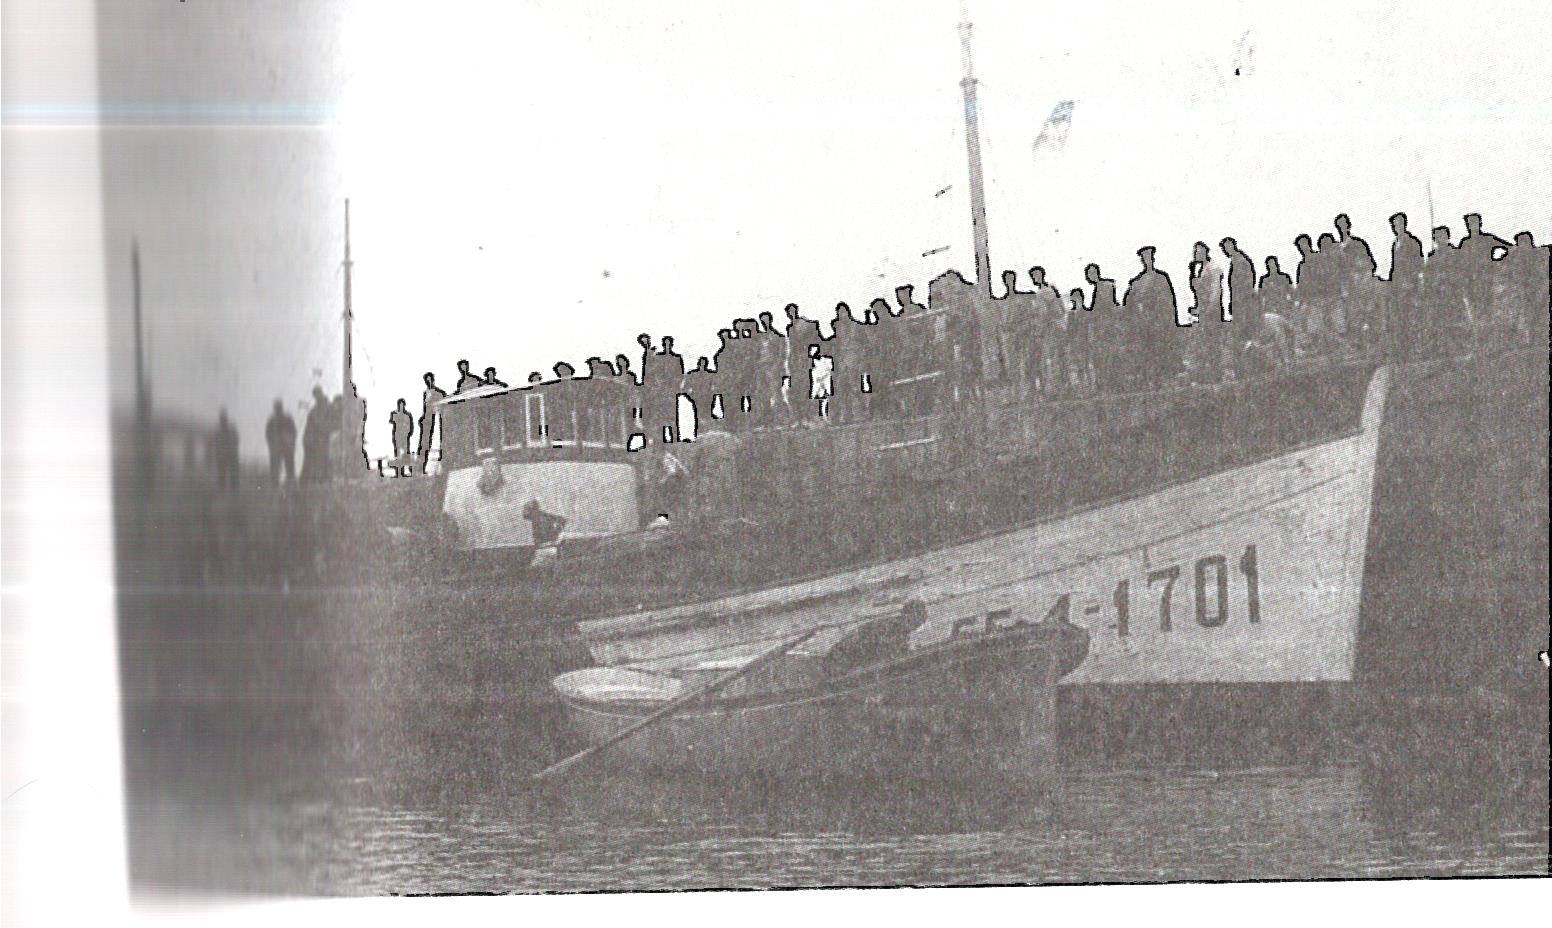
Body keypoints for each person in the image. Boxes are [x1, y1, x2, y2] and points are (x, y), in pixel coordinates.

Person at [1124, 247, 1180, 387]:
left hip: (1158, 323)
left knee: (1160, 351)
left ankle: (1162, 380)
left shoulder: (1161, 278)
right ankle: (1149, 380)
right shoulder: (1137, 282)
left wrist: (1168, 322)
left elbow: (1168, 302)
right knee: (1146, 353)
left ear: (1153, 259)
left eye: (1149, 257)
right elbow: (1129, 304)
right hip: (1143, 324)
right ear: (1142, 261)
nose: (1147, 261)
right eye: (1144, 258)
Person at [1333, 214, 1378, 345]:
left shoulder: (1358, 244)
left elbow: (1370, 264)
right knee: (1348, 317)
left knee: (1364, 315)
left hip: (1360, 285)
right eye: (1339, 225)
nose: (1342, 228)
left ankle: (1368, 342)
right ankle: (1354, 343)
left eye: (1344, 225)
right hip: (1345, 287)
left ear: (1348, 226)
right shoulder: (1336, 248)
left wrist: (1358, 272)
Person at [1386, 212, 1424, 356]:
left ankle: (1415, 349)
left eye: (1399, 224)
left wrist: (1411, 281)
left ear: (1404, 224)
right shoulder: (1395, 243)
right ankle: (1403, 350)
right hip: (1398, 287)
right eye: (1394, 225)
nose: (1396, 227)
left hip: (1409, 287)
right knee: (1400, 318)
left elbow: (1419, 264)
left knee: (1411, 318)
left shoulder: (1412, 242)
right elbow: (1395, 266)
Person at [1187, 241, 1224, 382]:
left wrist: (1210, 308)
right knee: (1204, 342)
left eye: (1197, 252)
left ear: (1204, 252)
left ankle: (1216, 374)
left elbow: (1216, 290)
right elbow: (1198, 290)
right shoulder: (1201, 269)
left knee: (1212, 342)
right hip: (1204, 310)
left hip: (1211, 311)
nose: (1195, 255)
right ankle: (1206, 374)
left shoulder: (1213, 268)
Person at [1029, 267, 1066, 397]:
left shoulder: (1041, 293)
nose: (1034, 279)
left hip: (1049, 329)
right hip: (1059, 327)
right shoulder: (1053, 290)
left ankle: (1054, 390)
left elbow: (1043, 314)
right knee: (1059, 358)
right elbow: (1062, 310)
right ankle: (1062, 388)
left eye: (1035, 277)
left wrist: (1039, 331)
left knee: (1049, 359)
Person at [1085, 263, 1123, 391]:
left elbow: (1108, 305)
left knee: (1109, 356)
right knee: (1106, 357)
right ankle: (1110, 383)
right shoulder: (1099, 288)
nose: (1090, 276)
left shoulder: (1104, 286)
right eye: (1088, 274)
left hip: (1107, 327)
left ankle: (1113, 383)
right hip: (1103, 326)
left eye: (1091, 273)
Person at [1257, 256, 1296, 364]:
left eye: (1273, 265)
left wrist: (1291, 306)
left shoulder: (1284, 278)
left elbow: (1292, 293)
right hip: (1271, 312)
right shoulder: (1264, 280)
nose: (1272, 267)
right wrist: (1262, 310)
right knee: (1276, 335)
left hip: (1284, 310)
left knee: (1290, 332)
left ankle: (1291, 356)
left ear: (1277, 265)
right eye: (1269, 266)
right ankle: (1280, 360)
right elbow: (1260, 297)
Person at [300, 385, 335, 482]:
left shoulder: (329, 407)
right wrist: (307, 440)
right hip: (313, 441)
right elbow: (308, 428)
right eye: (315, 395)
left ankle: (323, 480)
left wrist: (323, 428)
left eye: (317, 394)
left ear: (321, 393)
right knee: (311, 464)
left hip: (323, 440)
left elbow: (332, 423)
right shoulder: (313, 411)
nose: (316, 397)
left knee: (323, 462)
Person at [264, 398, 297, 487]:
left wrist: (290, 443)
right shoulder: (272, 421)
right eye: (277, 407)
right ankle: (276, 487)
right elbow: (268, 435)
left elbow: (294, 433)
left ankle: (290, 487)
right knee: (275, 471)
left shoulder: (287, 419)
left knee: (289, 470)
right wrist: (272, 445)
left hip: (286, 448)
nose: (278, 409)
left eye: (279, 407)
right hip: (277, 449)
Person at [417, 372, 446, 475]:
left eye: (430, 379)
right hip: (427, 421)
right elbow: (425, 408)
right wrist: (422, 417)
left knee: (436, 441)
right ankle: (422, 467)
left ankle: (436, 468)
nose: (428, 382)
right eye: (426, 380)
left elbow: (441, 405)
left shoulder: (439, 392)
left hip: (436, 419)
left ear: (433, 380)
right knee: (424, 444)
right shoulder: (425, 393)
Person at [1066, 286, 1093, 393]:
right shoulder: (1071, 315)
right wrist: (1070, 343)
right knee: (1078, 366)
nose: (1076, 301)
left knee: (1086, 364)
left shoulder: (1087, 313)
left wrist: (1089, 340)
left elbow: (1089, 328)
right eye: (1074, 299)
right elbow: (1069, 331)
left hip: (1085, 342)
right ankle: (1081, 387)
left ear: (1081, 299)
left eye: (1077, 299)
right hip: (1075, 343)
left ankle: (1090, 386)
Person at [211, 408, 240, 493]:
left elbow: (235, 441)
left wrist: (231, 451)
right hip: (224, 456)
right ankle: (224, 491)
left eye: (223, 419)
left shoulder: (229, 430)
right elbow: (216, 444)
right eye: (222, 419)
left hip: (229, 455)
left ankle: (233, 492)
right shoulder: (219, 432)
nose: (222, 421)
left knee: (232, 476)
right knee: (222, 476)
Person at [807, 343, 834, 421]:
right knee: (813, 397)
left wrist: (822, 379)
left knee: (825, 398)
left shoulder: (827, 360)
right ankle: (812, 416)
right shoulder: (811, 362)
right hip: (816, 382)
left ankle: (824, 415)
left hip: (825, 381)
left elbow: (829, 370)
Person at [389, 398, 414, 476]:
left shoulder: (408, 414)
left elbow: (411, 425)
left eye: (402, 405)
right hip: (397, 436)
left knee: (406, 453)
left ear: (404, 405)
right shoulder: (394, 413)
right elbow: (391, 421)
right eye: (400, 405)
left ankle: (408, 470)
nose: (401, 406)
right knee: (398, 454)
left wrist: (410, 433)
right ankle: (399, 472)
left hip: (405, 437)